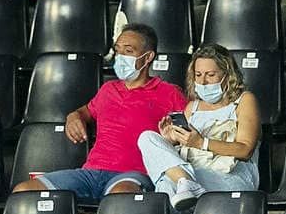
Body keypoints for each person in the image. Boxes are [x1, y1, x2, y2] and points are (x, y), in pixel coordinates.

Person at [14, 24, 186, 203]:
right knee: (24, 191)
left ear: (148, 57)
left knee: (119, 198)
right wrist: (74, 116)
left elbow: (188, 132)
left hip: (134, 175)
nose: (121, 57)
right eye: (118, 51)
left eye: (128, 51)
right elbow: (85, 111)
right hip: (91, 173)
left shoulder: (170, 93)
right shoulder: (107, 89)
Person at [137, 43, 260, 209]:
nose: (203, 81)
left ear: (227, 75)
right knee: (147, 137)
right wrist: (172, 140)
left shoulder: (244, 101)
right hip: (193, 176)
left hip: (231, 177)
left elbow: (245, 150)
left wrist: (202, 143)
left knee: (166, 185)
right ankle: (185, 183)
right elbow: (185, 146)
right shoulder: (192, 107)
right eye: (198, 74)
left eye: (210, 75)